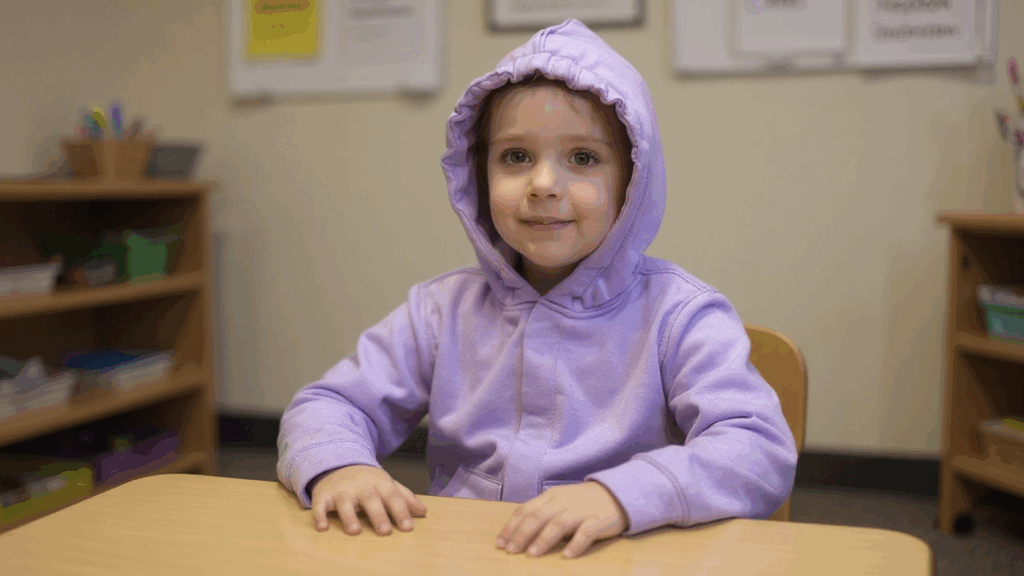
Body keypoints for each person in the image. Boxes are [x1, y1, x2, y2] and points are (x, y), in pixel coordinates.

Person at [277, 18, 798, 560]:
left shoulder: (681, 315)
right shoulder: (440, 311)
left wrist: (621, 496)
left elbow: (756, 451)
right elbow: (330, 404)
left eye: (583, 158)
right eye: (516, 157)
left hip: (621, 555)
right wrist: (341, 465)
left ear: (633, 184)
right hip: (470, 555)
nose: (544, 184)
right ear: (479, 175)